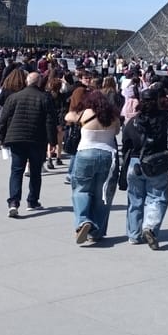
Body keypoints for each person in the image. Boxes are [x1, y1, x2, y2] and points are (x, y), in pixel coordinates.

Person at [0, 71, 57, 217]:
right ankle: (32, 201)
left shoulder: (14, 97)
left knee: (16, 171)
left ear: (27, 81)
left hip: (16, 138)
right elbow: (50, 121)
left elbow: (3, 119)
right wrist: (53, 141)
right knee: (36, 172)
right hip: (37, 139)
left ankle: (13, 202)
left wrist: (3, 137)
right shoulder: (45, 98)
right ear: (38, 82)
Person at [65, 89, 119, 244]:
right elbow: (116, 131)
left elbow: (68, 116)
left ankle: (83, 221)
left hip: (85, 154)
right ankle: (97, 232)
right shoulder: (113, 116)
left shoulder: (86, 113)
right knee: (103, 195)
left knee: (81, 189)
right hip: (108, 155)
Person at [122, 87, 168, 249]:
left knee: (135, 199)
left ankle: (134, 234)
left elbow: (126, 144)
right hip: (155, 163)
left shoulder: (132, 122)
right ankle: (150, 227)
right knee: (157, 197)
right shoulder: (163, 118)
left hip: (135, 163)